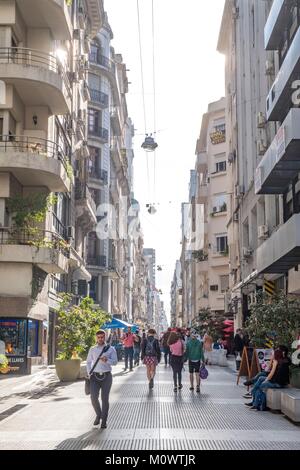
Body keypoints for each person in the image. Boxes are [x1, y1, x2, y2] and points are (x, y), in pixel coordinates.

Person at [86, 329, 118, 428]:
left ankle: (104, 420)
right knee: (93, 398)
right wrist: (89, 373)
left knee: (105, 399)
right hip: (94, 377)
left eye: (102, 337)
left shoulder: (111, 349)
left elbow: (115, 362)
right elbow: (88, 362)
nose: (100, 339)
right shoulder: (92, 349)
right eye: (98, 337)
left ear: (105, 337)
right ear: (96, 338)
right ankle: (98, 414)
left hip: (106, 376)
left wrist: (107, 360)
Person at [246, 346, 291, 410]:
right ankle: (253, 397)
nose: (272, 355)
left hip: (278, 383)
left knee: (260, 387)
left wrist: (266, 380)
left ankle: (257, 404)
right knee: (261, 378)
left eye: (273, 354)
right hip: (276, 380)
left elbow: (271, 374)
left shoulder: (279, 362)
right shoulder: (280, 361)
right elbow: (271, 373)